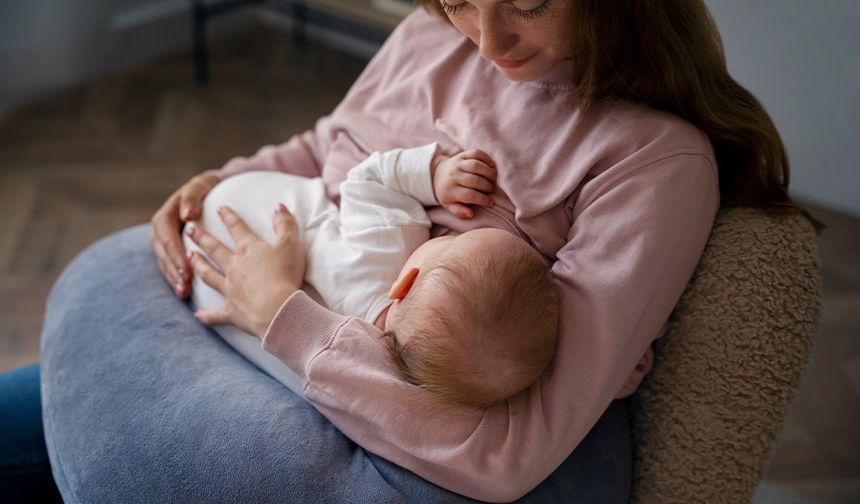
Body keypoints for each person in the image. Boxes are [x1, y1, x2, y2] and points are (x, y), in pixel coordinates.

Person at [1, 0, 825, 501]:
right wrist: (220, 183)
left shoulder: (653, 163)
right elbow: (327, 146)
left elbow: (513, 453)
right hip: (260, 318)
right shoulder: (436, 38)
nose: (488, 40)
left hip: (331, 366)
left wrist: (276, 312)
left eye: (530, 0)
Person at [184, 143, 559, 408]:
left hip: (234, 211)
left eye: (452, 242)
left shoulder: (387, 247)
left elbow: (366, 179)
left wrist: (433, 175)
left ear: (405, 281)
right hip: (219, 296)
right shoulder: (362, 356)